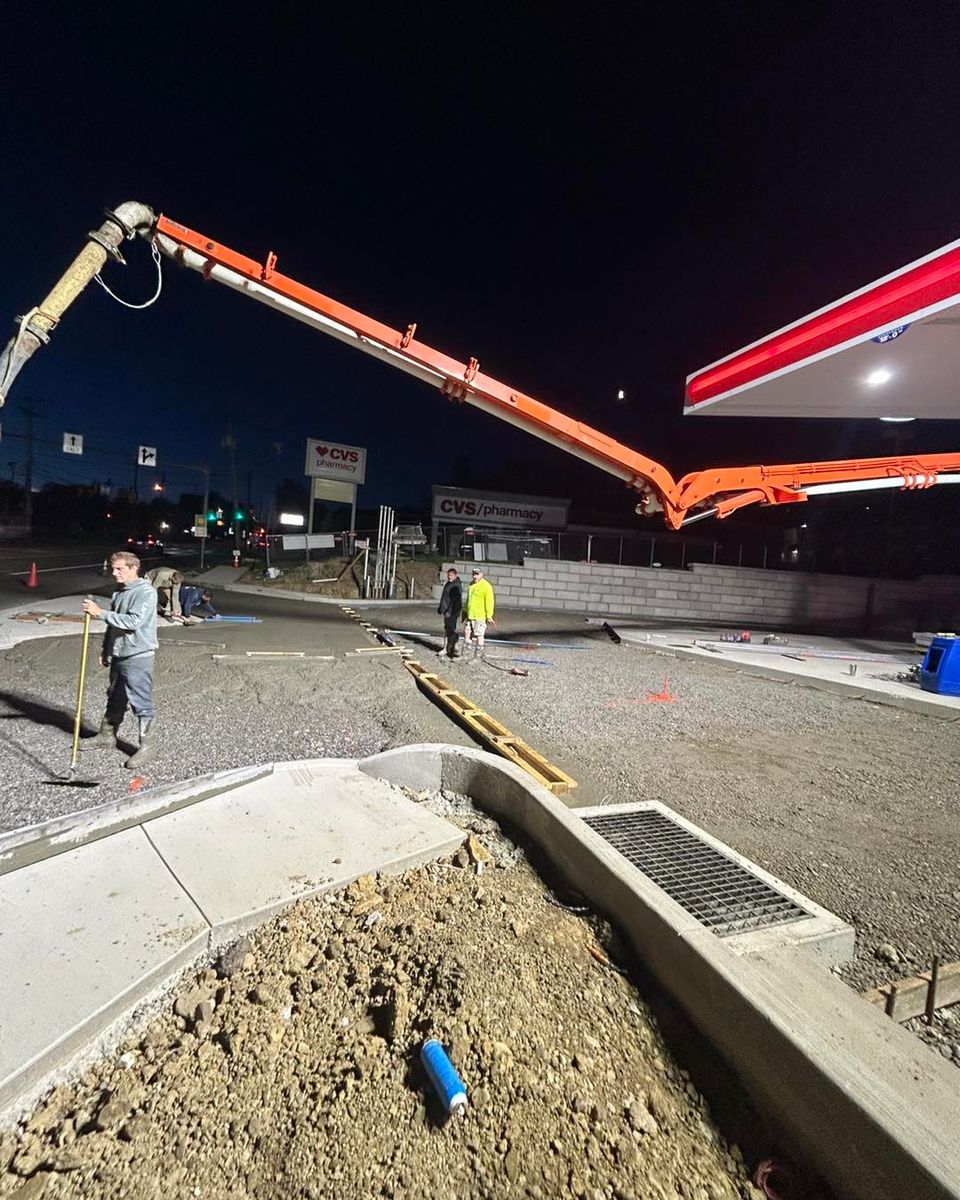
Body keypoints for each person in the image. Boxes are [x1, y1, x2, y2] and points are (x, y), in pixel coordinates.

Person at [80, 550, 158, 768]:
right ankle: (107, 735)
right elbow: (113, 625)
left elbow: (133, 621)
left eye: (119, 569)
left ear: (134, 568)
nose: (114, 573)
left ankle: (148, 746)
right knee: (115, 696)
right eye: (113, 568)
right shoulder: (119, 592)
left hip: (138, 655)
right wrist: (106, 649)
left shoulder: (146, 593)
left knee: (140, 702)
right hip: (119, 653)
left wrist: (100, 612)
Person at [462, 567, 495, 659]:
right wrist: (465, 611)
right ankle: (465, 655)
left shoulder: (487, 586)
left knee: (479, 635)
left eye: (477, 574)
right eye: (473, 574)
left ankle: (477, 657)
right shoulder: (471, 585)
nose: (474, 576)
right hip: (470, 615)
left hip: (480, 616)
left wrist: (489, 616)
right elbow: (468, 600)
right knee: (467, 633)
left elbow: (489, 602)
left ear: (481, 575)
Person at [437, 567, 463, 659]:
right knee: (447, 629)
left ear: (455, 575)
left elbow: (455, 601)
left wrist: (450, 611)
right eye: (448, 576)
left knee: (450, 630)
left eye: (451, 575)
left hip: (452, 612)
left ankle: (451, 646)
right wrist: (441, 608)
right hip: (447, 610)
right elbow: (444, 597)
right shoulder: (449, 584)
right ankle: (449, 647)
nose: (449, 577)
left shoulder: (456, 586)